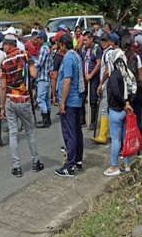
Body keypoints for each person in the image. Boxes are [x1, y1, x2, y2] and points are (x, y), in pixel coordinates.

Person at [0, 34, 44, 178]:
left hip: (10, 100)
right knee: (29, 131)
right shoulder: (25, 55)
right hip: (24, 100)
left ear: (9, 45)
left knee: (13, 133)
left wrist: (2, 107)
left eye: (4, 45)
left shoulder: (4, 62)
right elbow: (34, 74)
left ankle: (17, 167)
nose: (3, 47)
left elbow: (3, 87)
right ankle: (36, 162)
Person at [55, 33, 85, 177]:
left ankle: (70, 165)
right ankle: (78, 160)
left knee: (69, 133)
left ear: (62, 44)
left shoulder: (68, 59)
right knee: (77, 131)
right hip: (77, 99)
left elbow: (67, 81)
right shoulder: (77, 56)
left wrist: (62, 103)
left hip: (70, 100)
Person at [104, 49, 135, 176]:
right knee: (124, 137)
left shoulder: (113, 75)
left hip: (116, 111)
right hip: (124, 111)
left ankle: (114, 166)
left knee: (116, 140)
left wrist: (123, 104)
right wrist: (127, 103)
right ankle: (126, 164)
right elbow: (133, 88)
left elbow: (116, 92)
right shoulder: (125, 74)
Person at [92, 33, 116, 144]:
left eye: (105, 41)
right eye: (102, 40)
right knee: (110, 109)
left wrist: (101, 84)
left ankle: (103, 135)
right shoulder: (111, 52)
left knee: (104, 109)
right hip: (111, 84)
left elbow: (107, 70)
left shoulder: (108, 53)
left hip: (106, 84)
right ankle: (111, 132)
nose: (103, 43)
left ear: (111, 41)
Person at [82, 30, 102, 131]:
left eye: (86, 40)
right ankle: (83, 121)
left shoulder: (96, 49)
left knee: (93, 99)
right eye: (83, 40)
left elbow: (98, 63)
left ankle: (93, 122)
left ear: (91, 39)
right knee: (82, 97)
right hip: (85, 77)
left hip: (93, 77)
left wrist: (90, 74)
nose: (84, 42)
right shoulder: (84, 49)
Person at [34, 31, 53, 129]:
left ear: (42, 39)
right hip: (48, 78)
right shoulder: (48, 49)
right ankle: (48, 119)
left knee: (40, 99)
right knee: (46, 99)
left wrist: (32, 66)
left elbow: (39, 64)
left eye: (38, 39)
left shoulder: (43, 49)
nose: (37, 40)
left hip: (42, 77)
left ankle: (45, 120)